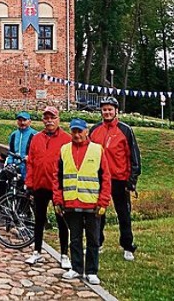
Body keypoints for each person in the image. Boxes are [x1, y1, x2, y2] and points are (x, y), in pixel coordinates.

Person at [53, 119, 111, 285]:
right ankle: (77, 268)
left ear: (86, 131)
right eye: (74, 131)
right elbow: (56, 177)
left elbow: (106, 177)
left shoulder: (97, 150)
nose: (77, 135)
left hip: (92, 203)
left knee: (93, 239)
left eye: (80, 131)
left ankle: (92, 271)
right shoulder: (64, 150)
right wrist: (58, 199)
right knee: (75, 238)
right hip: (71, 202)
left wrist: (103, 201)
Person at [89, 96, 141, 261]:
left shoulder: (125, 130)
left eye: (110, 109)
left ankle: (127, 246)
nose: (107, 112)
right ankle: (98, 244)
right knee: (98, 214)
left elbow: (134, 156)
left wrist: (132, 180)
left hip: (120, 178)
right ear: (101, 111)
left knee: (123, 213)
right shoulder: (95, 130)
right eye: (104, 109)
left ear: (116, 111)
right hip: (99, 177)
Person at [25, 106, 72, 269]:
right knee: (39, 220)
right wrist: (29, 183)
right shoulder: (36, 138)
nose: (49, 121)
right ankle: (37, 251)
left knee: (62, 220)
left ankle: (64, 254)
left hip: (58, 186)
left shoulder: (66, 139)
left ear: (58, 119)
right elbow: (30, 161)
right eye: (46, 118)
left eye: (52, 117)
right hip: (40, 184)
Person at [6, 111, 38, 180]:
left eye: (24, 120)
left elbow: (38, 152)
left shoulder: (35, 135)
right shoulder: (14, 135)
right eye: (20, 120)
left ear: (29, 121)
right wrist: (9, 163)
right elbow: (11, 151)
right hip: (15, 166)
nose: (22, 123)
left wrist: (30, 158)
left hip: (28, 167)